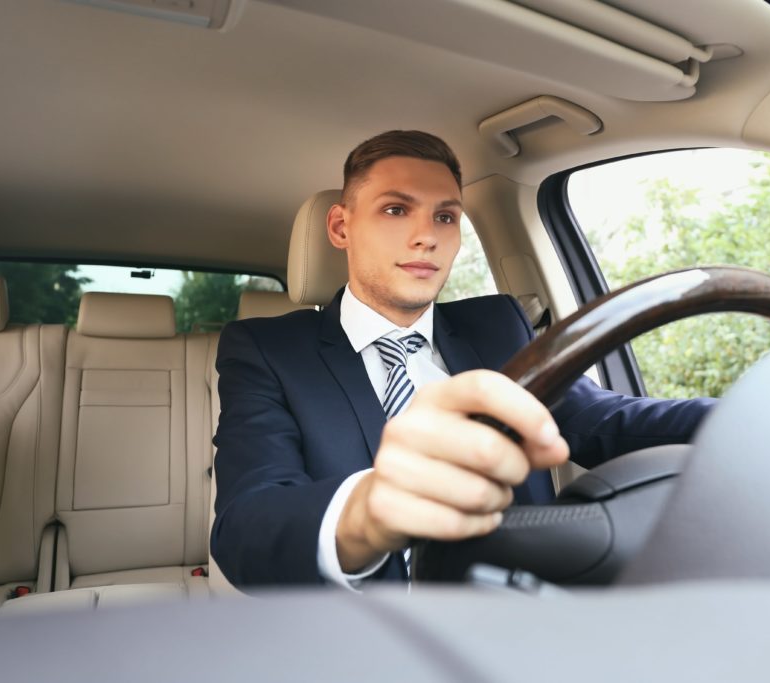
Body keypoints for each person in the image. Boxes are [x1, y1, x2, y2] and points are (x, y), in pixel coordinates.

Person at [211, 130, 715, 588]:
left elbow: (603, 419)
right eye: (395, 210)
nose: (426, 236)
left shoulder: (497, 325)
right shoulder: (267, 350)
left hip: (521, 610)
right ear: (341, 227)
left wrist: (753, 415)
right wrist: (370, 509)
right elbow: (247, 524)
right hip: (363, 635)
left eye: (445, 216)